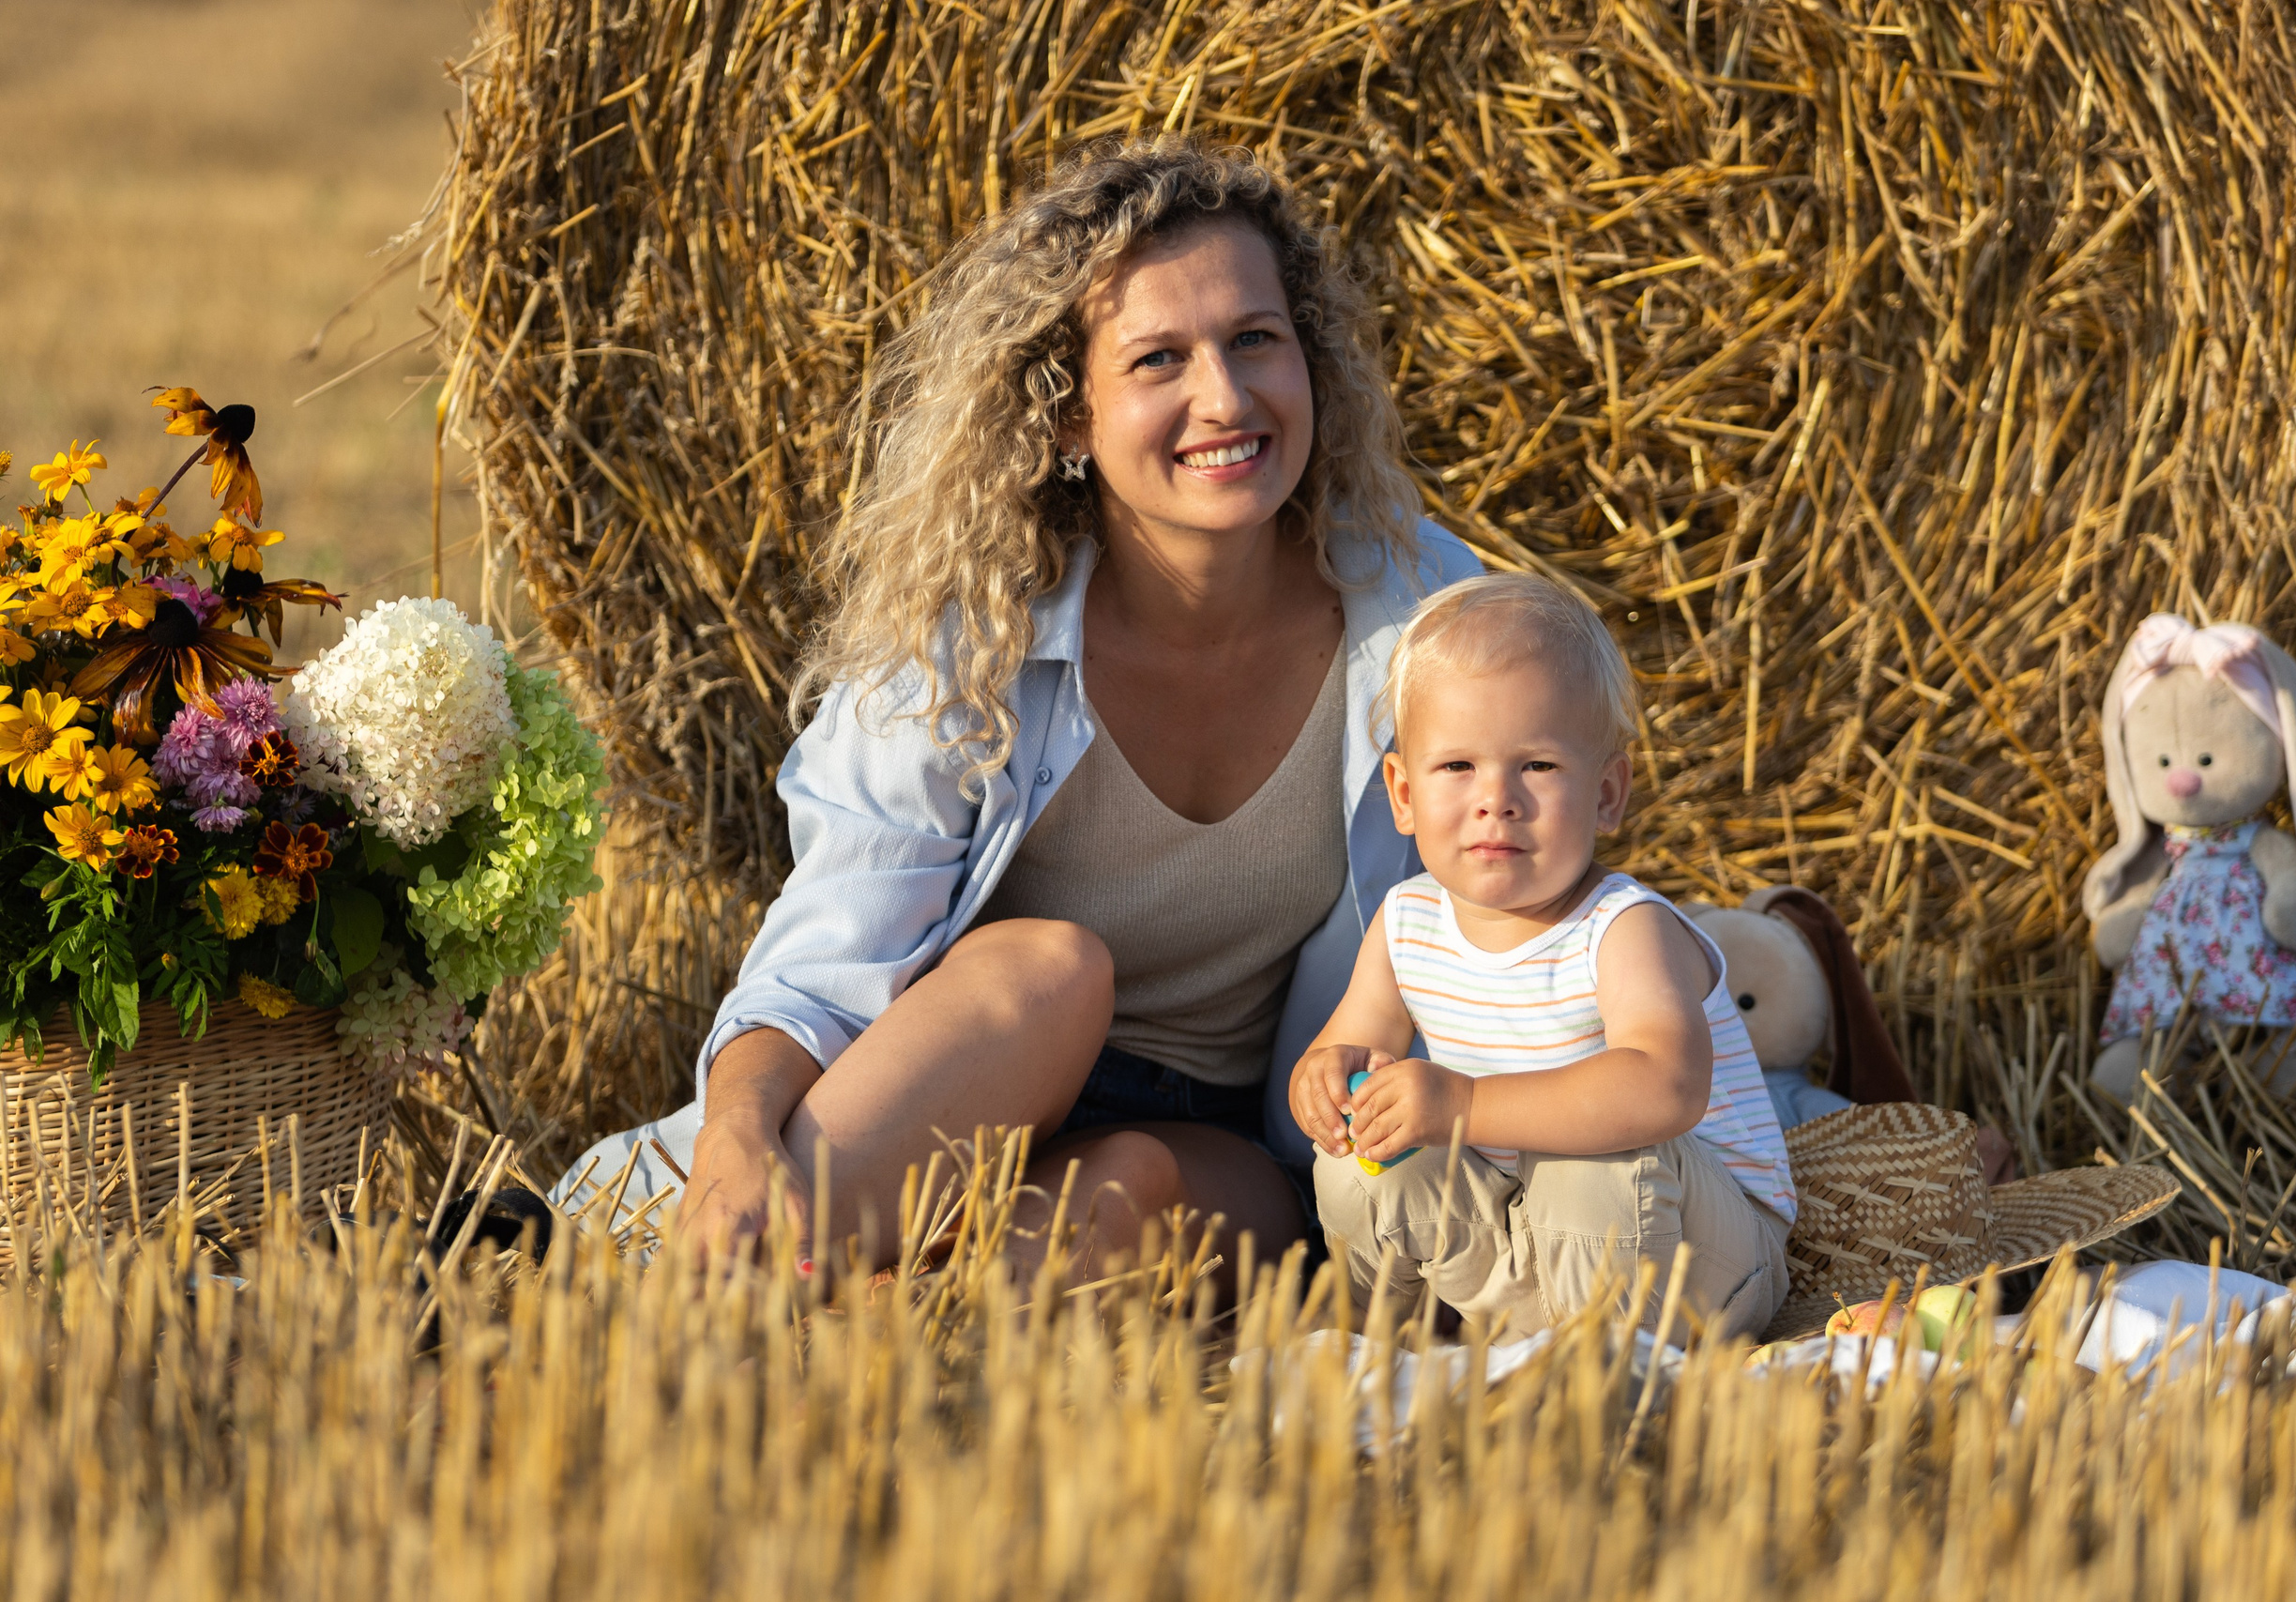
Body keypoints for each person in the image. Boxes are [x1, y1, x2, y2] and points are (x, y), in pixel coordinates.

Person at [559, 135, 1483, 1278]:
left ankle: (877, 1321)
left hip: (1220, 1132)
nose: (1225, 397)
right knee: (1045, 969)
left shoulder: (1438, 624)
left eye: (1256, 340)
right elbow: (818, 969)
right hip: (961, 1081)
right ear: (1065, 419)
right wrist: (738, 1138)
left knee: (1132, 1191)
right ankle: (731, 1278)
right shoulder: (964, 646)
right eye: (1157, 360)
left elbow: (1542, 904)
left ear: (1314, 366)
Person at [1291, 574, 1795, 1338]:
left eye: (1538, 766)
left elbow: (1665, 1087)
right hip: (1524, 1228)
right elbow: (1350, 1043)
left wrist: (1462, 1105)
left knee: (1595, 1157)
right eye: (1458, 766)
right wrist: (1324, 1081)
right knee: (1368, 1156)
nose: (1498, 798)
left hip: (1699, 1252)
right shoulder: (1407, 920)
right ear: (1401, 793)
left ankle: (1601, 1377)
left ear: (1607, 793)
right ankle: (1396, 1350)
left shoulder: (1623, 927)